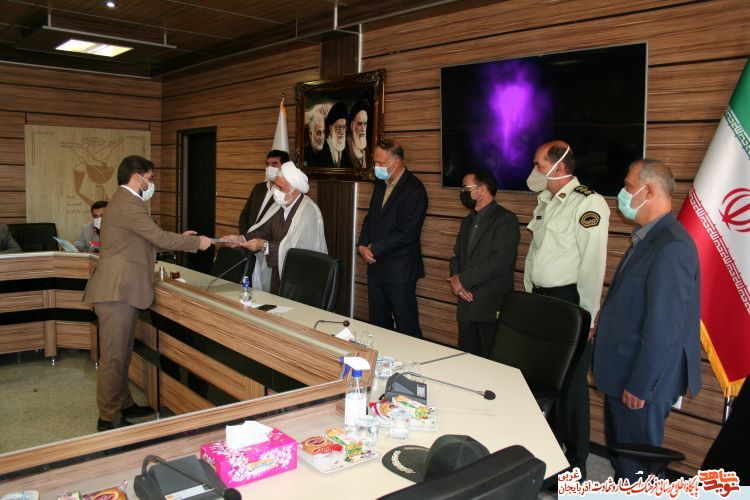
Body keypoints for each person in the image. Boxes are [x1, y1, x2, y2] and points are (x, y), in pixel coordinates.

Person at [83, 155, 212, 432]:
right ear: (137, 176)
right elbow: (158, 237)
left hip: (122, 290)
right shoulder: (129, 203)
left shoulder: (124, 201)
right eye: (150, 178)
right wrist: (195, 243)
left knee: (123, 353)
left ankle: (124, 403)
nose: (151, 184)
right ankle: (108, 417)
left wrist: (181, 237)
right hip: (116, 291)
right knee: (114, 357)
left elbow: (146, 241)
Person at [593, 159, 701, 481]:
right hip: (624, 370)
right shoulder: (649, 238)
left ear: (649, 191)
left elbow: (664, 329)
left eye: (628, 186)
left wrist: (641, 384)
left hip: (640, 381)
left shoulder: (672, 246)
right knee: (623, 461)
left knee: (637, 469)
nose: (622, 193)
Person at [523, 140, 610, 479]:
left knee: (571, 388)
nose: (534, 170)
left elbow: (592, 265)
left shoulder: (588, 203)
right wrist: (530, 296)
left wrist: (588, 314)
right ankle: (551, 453)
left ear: (559, 167)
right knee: (545, 382)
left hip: (569, 303)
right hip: (542, 301)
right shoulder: (545, 201)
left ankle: (577, 466)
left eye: (539, 164)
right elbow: (536, 254)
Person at [357, 139, 428, 338]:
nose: (376, 167)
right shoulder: (381, 184)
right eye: (375, 162)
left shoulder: (414, 189)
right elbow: (371, 217)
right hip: (375, 267)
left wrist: (374, 249)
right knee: (378, 325)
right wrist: (362, 245)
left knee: (407, 326)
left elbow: (408, 234)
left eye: (380, 163)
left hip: (399, 270)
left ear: (396, 162)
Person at [224, 161, 327, 294]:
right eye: (276, 186)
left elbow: (298, 251)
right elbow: (264, 231)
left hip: (299, 280)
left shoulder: (309, 212)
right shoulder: (279, 205)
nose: (276, 191)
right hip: (276, 273)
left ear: (295, 191)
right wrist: (241, 239)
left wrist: (265, 246)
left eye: (280, 188)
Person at [449, 169, 519, 357]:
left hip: (489, 305)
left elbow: (499, 262)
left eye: (466, 187)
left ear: (482, 189)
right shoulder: (467, 221)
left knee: (492, 361)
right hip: (466, 304)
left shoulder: (505, 220)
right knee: (466, 359)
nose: (462, 192)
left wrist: (462, 280)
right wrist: (456, 279)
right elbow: (457, 256)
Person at [238, 150, 288, 234]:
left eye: (274, 164)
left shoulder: (286, 193)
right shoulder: (258, 188)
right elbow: (245, 214)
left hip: (266, 240)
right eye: (267, 164)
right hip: (247, 237)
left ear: (284, 167)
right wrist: (244, 236)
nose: (269, 168)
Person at [341, 100, 370, 169]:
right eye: (359, 124)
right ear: (352, 125)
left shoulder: (367, 150)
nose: (363, 129)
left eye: (365, 124)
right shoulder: (344, 149)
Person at [319, 101, 348, 167]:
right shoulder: (321, 149)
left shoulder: (346, 150)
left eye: (344, 127)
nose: (342, 131)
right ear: (330, 128)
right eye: (339, 127)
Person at [303, 103, 330, 167]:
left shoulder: (328, 153)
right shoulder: (303, 154)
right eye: (318, 133)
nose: (322, 137)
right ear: (310, 133)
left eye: (323, 132)